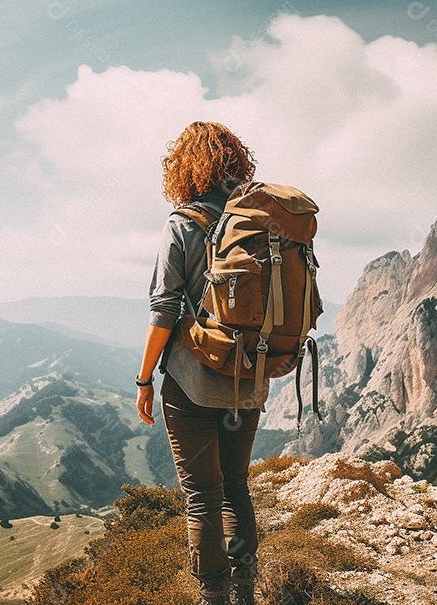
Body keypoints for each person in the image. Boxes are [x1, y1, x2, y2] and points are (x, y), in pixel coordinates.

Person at [135, 121, 266, 605]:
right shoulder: (255, 222)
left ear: (184, 168)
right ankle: (245, 593)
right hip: (248, 379)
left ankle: (213, 596)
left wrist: (144, 378)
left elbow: (164, 309)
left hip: (191, 382)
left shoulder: (182, 223)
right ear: (236, 163)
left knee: (203, 495)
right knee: (236, 485)